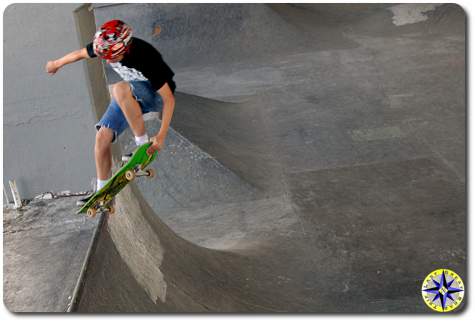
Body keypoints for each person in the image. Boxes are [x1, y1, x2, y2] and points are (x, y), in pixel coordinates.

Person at [45, 19, 176, 205]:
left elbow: (169, 99)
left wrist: (161, 136)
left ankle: (142, 144)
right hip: (130, 98)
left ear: (123, 49)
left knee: (119, 88)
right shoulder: (106, 45)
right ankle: (102, 191)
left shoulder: (145, 57)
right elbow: (80, 54)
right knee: (102, 137)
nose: (107, 60)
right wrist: (56, 63)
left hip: (153, 96)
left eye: (110, 57)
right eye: (103, 56)